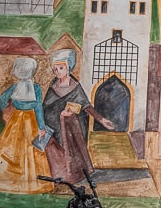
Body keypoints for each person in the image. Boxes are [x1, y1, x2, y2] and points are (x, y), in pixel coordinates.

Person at [43, 49, 115, 183]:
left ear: (68, 68)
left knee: (72, 153)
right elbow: (46, 107)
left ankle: (72, 176)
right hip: (53, 126)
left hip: (70, 128)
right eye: (55, 69)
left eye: (61, 68)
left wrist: (101, 119)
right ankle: (58, 175)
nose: (58, 71)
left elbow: (85, 105)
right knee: (55, 153)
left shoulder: (75, 87)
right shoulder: (53, 87)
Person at [0, 57, 54, 194]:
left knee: (15, 149)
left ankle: (10, 182)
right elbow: (38, 107)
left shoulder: (16, 86)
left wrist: (7, 109)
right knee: (27, 151)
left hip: (17, 120)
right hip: (30, 120)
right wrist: (41, 127)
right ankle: (29, 184)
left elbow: (2, 98)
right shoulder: (35, 88)